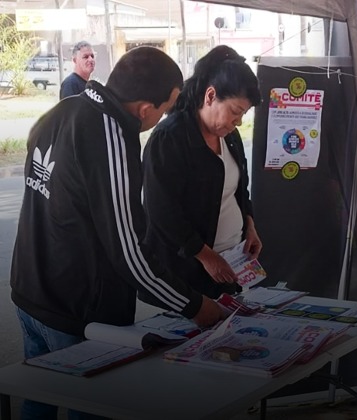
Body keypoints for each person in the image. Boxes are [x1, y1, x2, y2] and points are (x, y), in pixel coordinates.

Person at [10, 46, 224, 420]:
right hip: (76, 312)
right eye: (165, 107)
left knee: (39, 399)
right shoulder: (109, 135)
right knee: (90, 409)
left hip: (31, 292)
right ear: (145, 108)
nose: (163, 118)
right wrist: (193, 305)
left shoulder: (62, 111)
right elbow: (130, 250)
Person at [142, 45, 263, 299]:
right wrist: (206, 256)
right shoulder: (170, 138)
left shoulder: (230, 136)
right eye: (235, 112)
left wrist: (249, 225)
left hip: (231, 264)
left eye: (243, 115)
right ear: (210, 96)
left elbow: (241, 189)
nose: (238, 122)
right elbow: (162, 211)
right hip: (185, 273)